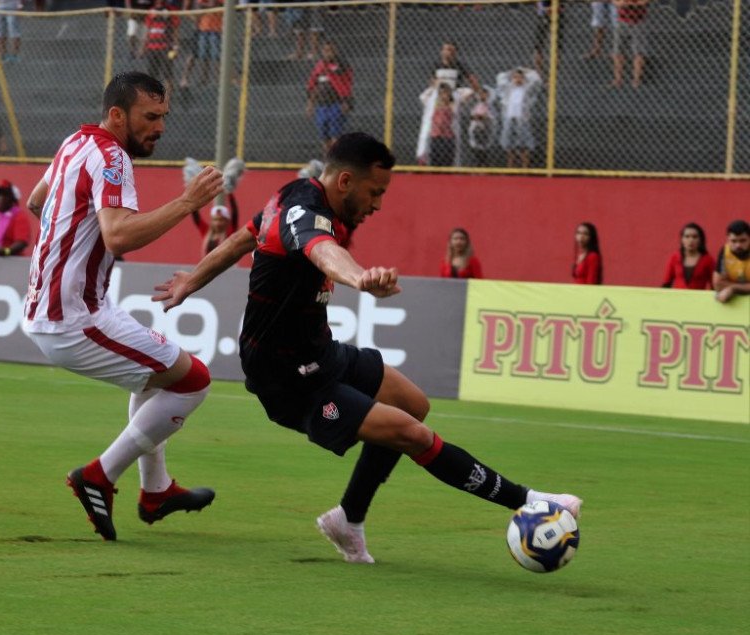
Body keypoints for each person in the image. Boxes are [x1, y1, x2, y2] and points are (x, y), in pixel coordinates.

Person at [153, 132, 581, 564]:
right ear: (344, 182)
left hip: (319, 352)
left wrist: (192, 279)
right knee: (411, 435)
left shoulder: (294, 197)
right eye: (374, 192)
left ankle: (347, 520)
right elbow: (323, 253)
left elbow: (247, 236)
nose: (377, 204)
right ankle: (529, 501)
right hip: (285, 377)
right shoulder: (304, 213)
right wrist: (358, 279)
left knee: (412, 405)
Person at [21, 71, 224, 542]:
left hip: (62, 307)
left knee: (165, 376)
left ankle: (156, 491)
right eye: (150, 117)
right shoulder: (112, 157)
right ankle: (99, 475)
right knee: (195, 382)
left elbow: (37, 201)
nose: (159, 127)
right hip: (75, 317)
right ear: (117, 115)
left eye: (163, 116)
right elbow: (118, 235)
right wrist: (187, 201)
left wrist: (69, 242)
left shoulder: (76, 141)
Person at [306, 41, 353, 153]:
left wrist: (346, 101)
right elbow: (313, 85)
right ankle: (328, 160)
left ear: (335, 51)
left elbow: (342, 76)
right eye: (325, 50)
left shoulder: (341, 64)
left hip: (336, 103)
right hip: (322, 105)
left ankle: (337, 160)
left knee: (335, 134)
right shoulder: (319, 67)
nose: (327, 53)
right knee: (324, 134)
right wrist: (310, 103)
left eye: (330, 50)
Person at [496, 67, 542, 169]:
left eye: (520, 77)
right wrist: (511, 71)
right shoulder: (507, 89)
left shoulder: (528, 89)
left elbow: (536, 79)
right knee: (509, 144)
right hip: (509, 118)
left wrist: (525, 70)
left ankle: (525, 167)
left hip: (523, 119)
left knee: (524, 144)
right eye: (515, 77)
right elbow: (500, 77)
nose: (518, 79)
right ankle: (510, 166)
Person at [142, 0, 180, 96]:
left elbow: (175, 29)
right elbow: (146, 29)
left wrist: (176, 46)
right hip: (152, 47)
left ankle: (167, 99)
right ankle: (153, 97)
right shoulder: (151, 11)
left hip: (166, 47)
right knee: (152, 75)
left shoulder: (171, 10)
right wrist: (143, 46)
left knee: (167, 74)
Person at [660, 222, 713, 290]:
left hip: (698, 299)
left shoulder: (708, 260)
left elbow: (714, 285)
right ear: (682, 239)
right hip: (677, 299)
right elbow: (666, 283)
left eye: (695, 237)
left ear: (700, 240)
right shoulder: (675, 258)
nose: (691, 240)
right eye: (687, 236)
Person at [612, 0, 649, 88]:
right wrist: (632, 4)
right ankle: (618, 80)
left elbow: (643, 2)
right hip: (622, 21)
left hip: (639, 22)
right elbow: (617, 3)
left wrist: (627, 3)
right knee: (617, 52)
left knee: (638, 52)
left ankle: (636, 80)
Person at [713, 219, 750, 303]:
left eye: (743, 240)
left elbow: (724, 285)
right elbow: (718, 284)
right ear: (728, 239)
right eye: (733, 241)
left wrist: (733, 289)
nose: (738, 245)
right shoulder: (725, 251)